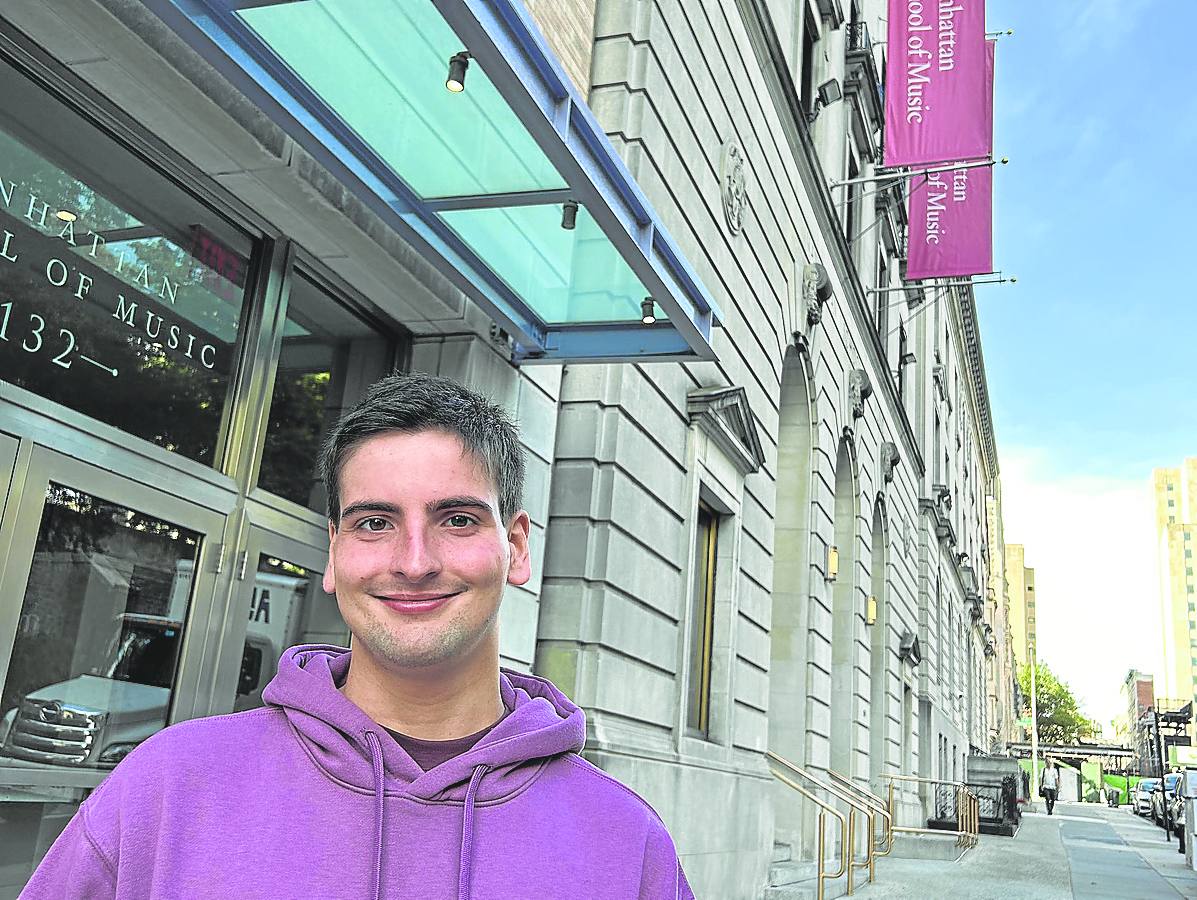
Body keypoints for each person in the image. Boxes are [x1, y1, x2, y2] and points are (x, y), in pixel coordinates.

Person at [21, 373, 694, 899]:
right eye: (374, 523)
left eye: (456, 519)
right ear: (333, 554)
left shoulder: (625, 842)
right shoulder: (166, 788)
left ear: (514, 547)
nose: (413, 560)